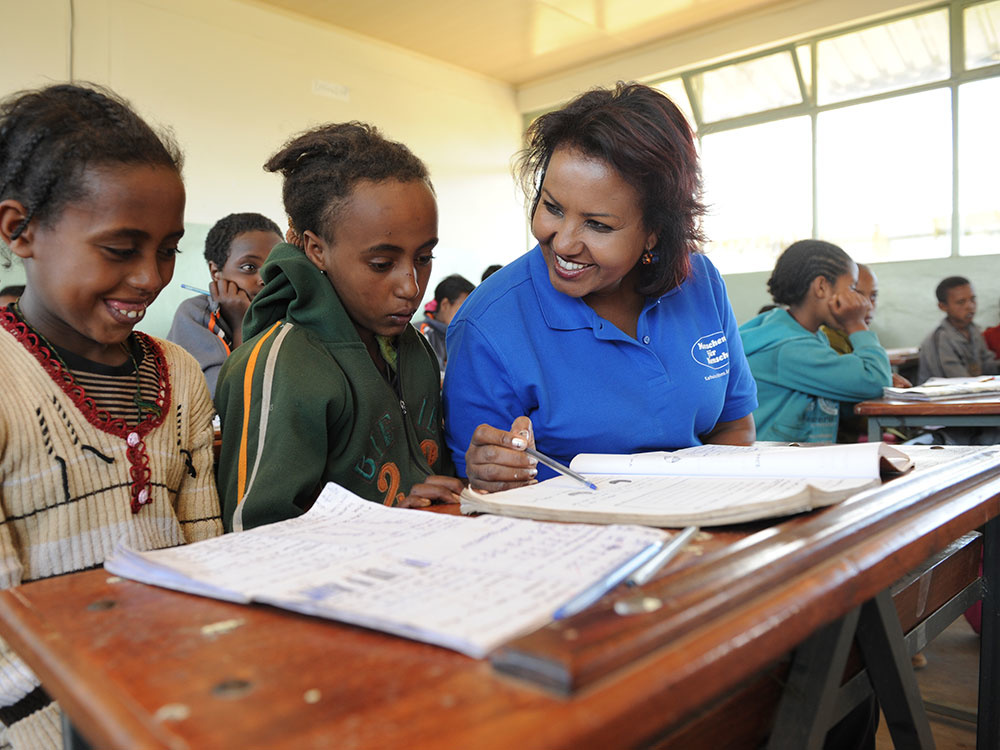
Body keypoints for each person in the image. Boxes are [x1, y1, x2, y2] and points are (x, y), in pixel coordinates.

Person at [0, 83, 222, 748]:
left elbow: (207, 558)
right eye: (121, 249)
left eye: (168, 248)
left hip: (179, 700)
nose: (151, 276)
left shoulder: (179, 375)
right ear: (20, 231)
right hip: (47, 724)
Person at [442, 83, 758, 492]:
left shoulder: (699, 284)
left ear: (655, 233)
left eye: (598, 225)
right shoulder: (488, 325)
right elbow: (481, 483)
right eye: (552, 207)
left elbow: (734, 427)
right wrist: (490, 471)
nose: (564, 242)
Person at [215, 122, 461, 532]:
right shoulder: (286, 364)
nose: (411, 286)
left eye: (423, 257)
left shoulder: (412, 346)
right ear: (316, 249)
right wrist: (385, 524)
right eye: (381, 264)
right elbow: (253, 533)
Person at [739, 240, 892, 443]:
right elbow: (875, 382)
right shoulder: (789, 346)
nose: (859, 299)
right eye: (853, 288)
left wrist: (860, 377)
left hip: (797, 458)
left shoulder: (805, 334)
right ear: (821, 287)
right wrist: (856, 324)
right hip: (773, 464)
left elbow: (837, 395)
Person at [167, 212, 282, 396]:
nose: (264, 279)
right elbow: (228, 398)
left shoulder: (287, 313)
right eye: (249, 267)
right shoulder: (196, 315)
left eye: (274, 267)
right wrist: (241, 324)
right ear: (216, 272)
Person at [918, 276, 1000, 383]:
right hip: (945, 397)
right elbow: (960, 382)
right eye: (961, 302)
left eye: (972, 299)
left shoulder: (974, 331)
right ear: (942, 306)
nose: (970, 306)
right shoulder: (940, 339)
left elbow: (988, 366)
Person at [418, 273, 474, 370]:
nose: (466, 316)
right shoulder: (421, 334)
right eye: (461, 310)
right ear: (444, 305)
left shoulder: (464, 335)